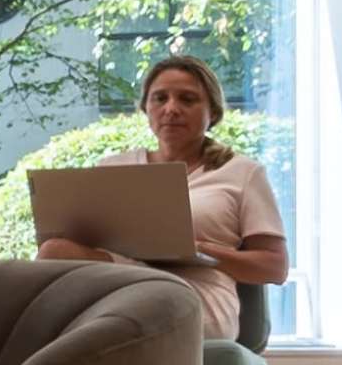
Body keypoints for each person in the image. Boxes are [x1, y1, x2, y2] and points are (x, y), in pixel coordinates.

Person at [36, 52, 287, 341]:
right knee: (54, 250)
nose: (172, 109)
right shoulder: (113, 168)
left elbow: (274, 267)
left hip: (194, 294)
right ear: (146, 108)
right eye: (160, 98)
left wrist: (202, 249)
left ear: (213, 112)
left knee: (113, 318)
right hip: (121, 284)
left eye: (187, 99)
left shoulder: (243, 173)